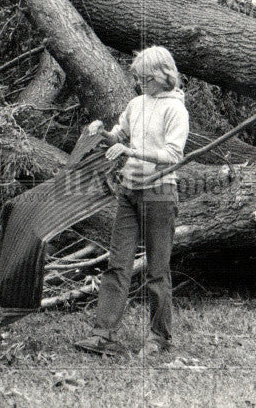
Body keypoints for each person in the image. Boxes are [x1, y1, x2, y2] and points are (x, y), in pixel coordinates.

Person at [74, 46, 189, 358]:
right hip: (129, 191)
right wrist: (101, 132)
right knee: (117, 265)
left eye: (147, 78)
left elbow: (172, 156)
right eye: (138, 78)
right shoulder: (136, 104)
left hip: (159, 193)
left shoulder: (176, 110)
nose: (142, 84)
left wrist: (131, 152)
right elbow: (118, 137)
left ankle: (159, 338)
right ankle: (103, 336)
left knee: (157, 270)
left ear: (165, 75)